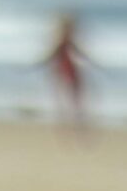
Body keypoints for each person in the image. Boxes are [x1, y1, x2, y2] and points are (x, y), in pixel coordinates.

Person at [39, 8, 97, 140]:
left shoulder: (66, 42)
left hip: (69, 71)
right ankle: (67, 130)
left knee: (73, 102)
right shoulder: (62, 42)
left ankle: (73, 129)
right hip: (63, 72)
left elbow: (81, 56)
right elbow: (49, 58)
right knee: (66, 103)